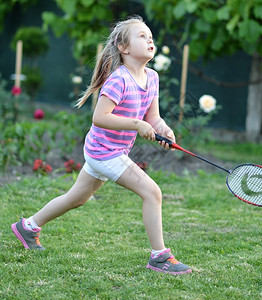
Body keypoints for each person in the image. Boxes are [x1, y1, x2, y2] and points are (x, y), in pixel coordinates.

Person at [11, 15, 192, 275]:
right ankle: (159, 257)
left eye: (150, 35)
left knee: (77, 198)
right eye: (141, 36)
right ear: (123, 47)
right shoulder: (119, 79)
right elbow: (99, 117)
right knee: (152, 193)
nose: (149, 39)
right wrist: (136, 125)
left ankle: (27, 227)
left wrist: (163, 129)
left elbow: (152, 116)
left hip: (109, 151)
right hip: (104, 152)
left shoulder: (152, 78)